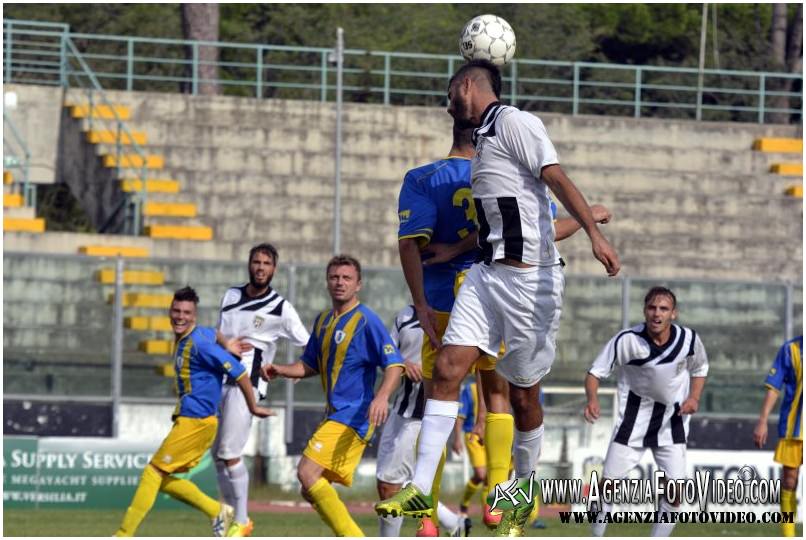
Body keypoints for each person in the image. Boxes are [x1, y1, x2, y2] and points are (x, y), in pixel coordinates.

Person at [377, 58, 620, 537]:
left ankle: (522, 496)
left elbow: (556, 177)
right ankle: (421, 490)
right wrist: (456, 247)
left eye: (451, 94)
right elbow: (499, 220)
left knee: (524, 396)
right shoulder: (485, 144)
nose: (448, 104)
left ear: (466, 86)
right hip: (487, 277)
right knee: (446, 369)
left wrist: (593, 232)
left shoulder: (515, 122)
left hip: (533, 284)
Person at [262, 255, 405, 537]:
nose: (340, 283)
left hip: (355, 415)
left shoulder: (366, 321)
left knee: (306, 473)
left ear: (358, 284)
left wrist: (382, 397)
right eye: (334, 277)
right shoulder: (324, 321)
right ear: (327, 282)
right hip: (336, 414)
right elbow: (310, 365)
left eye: (346, 278)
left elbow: (394, 364)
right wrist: (282, 369)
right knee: (310, 489)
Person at [114, 287, 273, 537]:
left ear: (194, 316)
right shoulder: (198, 335)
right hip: (191, 420)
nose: (180, 316)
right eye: (176, 311)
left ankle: (123, 534)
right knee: (162, 478)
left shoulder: (199, 344)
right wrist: (226, 340)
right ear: (170, 312)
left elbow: (239, 372)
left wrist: (252, 406)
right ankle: (217, 510)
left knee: (152, 472)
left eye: (186, 313)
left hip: (197, 421)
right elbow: (214, 333)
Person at [394, 118, 481, 535]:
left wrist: (420, 304)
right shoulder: (502, 175)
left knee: (437, 405)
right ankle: (500, 502)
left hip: (442, 304)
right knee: (502, 398)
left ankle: (427, 515)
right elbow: (540, 229)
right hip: (491, 300)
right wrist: (588, 218)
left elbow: (410, 241)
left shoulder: (423, 177)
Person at [583, 286, 708, 537]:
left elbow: (700, 368)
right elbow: (594, 373)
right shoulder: (626, 340)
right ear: (644, 310)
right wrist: (592, 399)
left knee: (675, 493)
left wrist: (694, 397)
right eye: (652, 308)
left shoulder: (688, 340)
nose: (657, 314)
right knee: (608, 487)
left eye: (663, 308)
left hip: (672, 423)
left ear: (674, 313)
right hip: (632, 422)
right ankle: (596, 534)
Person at [213, 243, 310, 537]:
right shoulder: (231, 295)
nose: (260, 267)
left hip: (248, 384)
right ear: (249, 264)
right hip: (219, 379)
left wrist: (295, 369)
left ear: (274, 269)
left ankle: (241, 520)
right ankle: (227, 516)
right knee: (218, 455)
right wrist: (224, 342)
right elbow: (219, 333)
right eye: (256, 262)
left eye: (267, 263)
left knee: (229, 454)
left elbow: (309, 344)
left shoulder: (281, 308)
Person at [376, 305, 467, 537]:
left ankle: (450, 523)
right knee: (387, 485)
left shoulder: (457, 312)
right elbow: (387, 355)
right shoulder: (404, 316)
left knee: (392, 487)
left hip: (423, 416)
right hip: (399, 411)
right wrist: (403, 362)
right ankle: (453, 523)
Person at [753, 335, 802, 537]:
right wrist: (763, 421)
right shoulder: (790, 349)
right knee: (789, 481)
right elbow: (774, 387)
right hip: (795, 427)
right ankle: (788, 533)